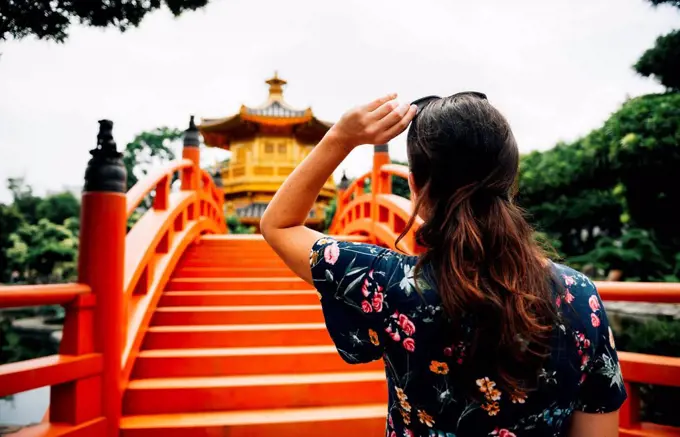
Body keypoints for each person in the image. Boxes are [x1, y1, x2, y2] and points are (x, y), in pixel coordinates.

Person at [261, 92, 626, 437]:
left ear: (415, 187)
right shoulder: (581, 297)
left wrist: (341, 136)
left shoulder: (387, 284)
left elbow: (279, 224)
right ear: (510, 182)